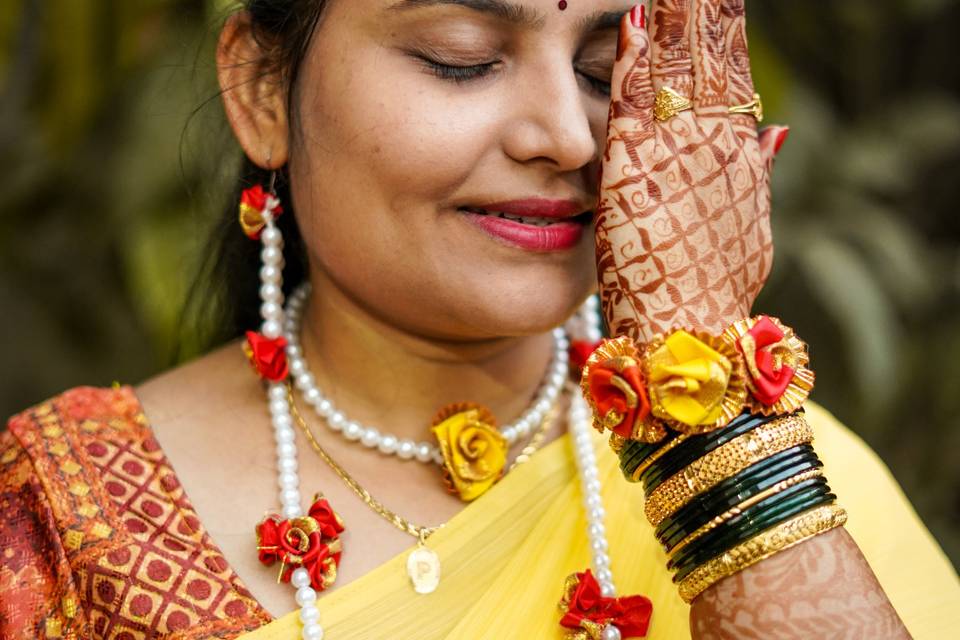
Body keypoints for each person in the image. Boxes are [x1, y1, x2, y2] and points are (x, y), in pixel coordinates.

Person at [1, 1, 958, 638]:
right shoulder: (73, 524)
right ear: (261, 90)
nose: (566, 135)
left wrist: (707, 434)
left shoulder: (791, 477)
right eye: (460, 61)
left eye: (603, 68)